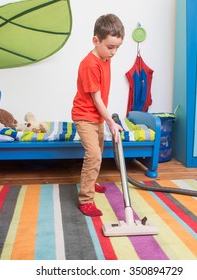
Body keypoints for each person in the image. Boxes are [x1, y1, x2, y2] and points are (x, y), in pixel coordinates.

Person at [71, 14, 125, 217]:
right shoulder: (90, 64)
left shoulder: (104, 58)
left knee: (99, 154)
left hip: (97, 117)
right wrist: (111, 121)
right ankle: (86, 199)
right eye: (110, 47)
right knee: (93, 155)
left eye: (117, 47)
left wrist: (105, 120)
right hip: (84, 116)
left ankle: (92, 183)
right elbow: (96, 98)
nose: (114, 52)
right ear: (96, 40)